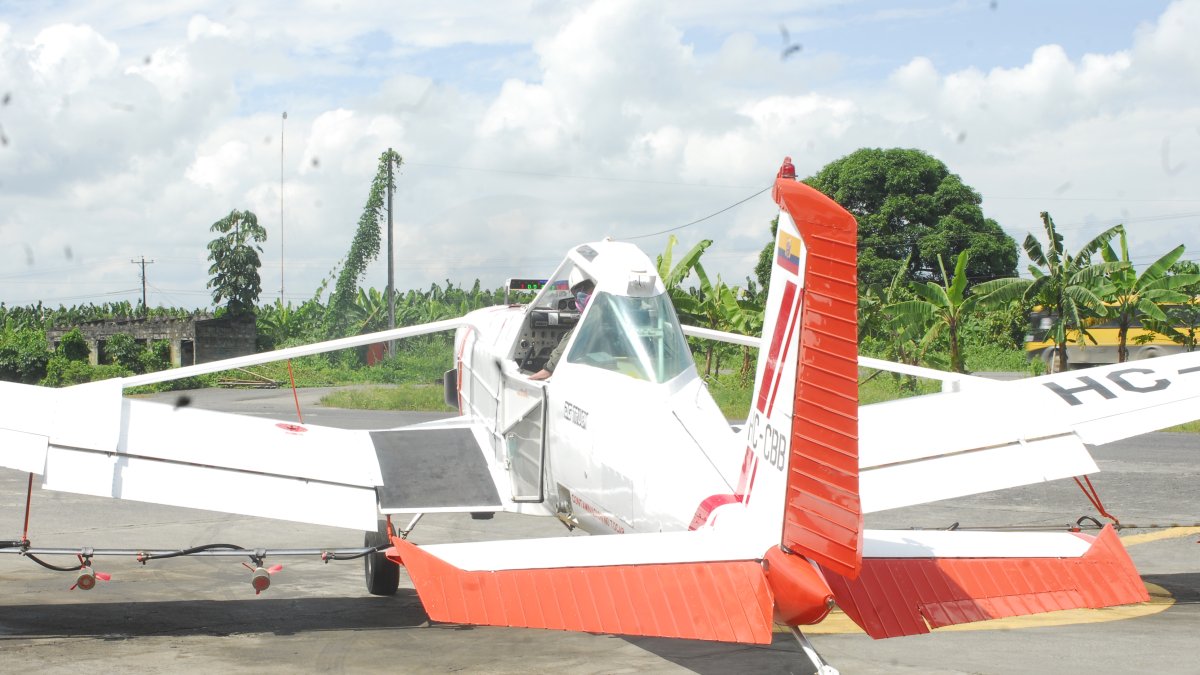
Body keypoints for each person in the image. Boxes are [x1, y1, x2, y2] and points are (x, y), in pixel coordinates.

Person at [529, 278, 594, 380]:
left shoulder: (593, 316)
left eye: (585, 288)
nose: (580, 295)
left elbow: (548, 370)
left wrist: (531, 378)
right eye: (576, 292)